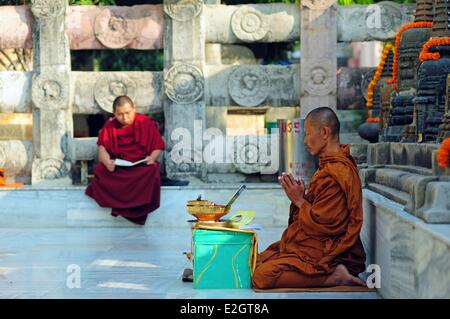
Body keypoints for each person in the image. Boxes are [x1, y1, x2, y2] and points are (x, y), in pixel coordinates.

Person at [252, 107, 367, 289]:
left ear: (324, 132)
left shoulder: (337, 171)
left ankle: (334, 277)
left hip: (330, 250)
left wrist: (299, 200)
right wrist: (302, 197)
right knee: (257, 261)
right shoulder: (330, 166)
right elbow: (322, 211)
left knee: (262, 276)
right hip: (316, 242)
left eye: (307, 134)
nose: (305, 141)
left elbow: (326, 224)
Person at [85, 95, 165, 225]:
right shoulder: (110, 125)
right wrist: (107, 162)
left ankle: (138, 207)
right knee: (100, 169)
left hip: (140, 165)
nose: (125, 118)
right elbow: (102, 149)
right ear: (114, 113)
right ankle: (121, 205)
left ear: (134, 109)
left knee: (153, 169)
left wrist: (152, 158)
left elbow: (158, 146)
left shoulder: (144, 122)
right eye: (120, 114)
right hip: (120, 165)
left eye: (127, 113)